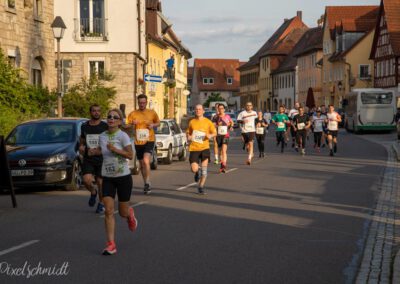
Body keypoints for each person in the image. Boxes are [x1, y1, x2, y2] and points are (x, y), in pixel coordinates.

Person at [96, 109, 137, 255]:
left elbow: (130, 154)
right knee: (108, 211)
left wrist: (115, 150)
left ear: (120, 121)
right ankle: (111, 244)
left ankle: (129, 214)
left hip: (123, 177)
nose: (111, 119)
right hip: (107, 177)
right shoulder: (102, 136)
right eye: (109, 117)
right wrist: (88, 151)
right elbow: (100, 151)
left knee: (122, 213)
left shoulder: (123, 136)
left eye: (115, 117)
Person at [126, 94, 160, 194]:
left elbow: (158, 122)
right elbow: (126, 125)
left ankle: (148, 182)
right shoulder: (133, 114)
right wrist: (132, 123)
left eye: (144, 103)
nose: (142, 104)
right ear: (138, 102)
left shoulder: (152, 113)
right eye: (140, 103)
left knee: (146, 161)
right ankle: (145, 183)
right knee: (141, 164)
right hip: (138, 141)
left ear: (146, 102)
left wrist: (153, 125)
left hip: (149, 139)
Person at [79, 104, 109, 213]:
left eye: (98, 111)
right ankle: (93, 191)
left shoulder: (105, 126)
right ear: (90, 112)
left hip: (101, 158)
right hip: (89, 157)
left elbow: (109, 141)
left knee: (100, 183)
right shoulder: (84, 126)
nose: (96, 113)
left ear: (100, 112)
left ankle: (101, 204)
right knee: (86, 180)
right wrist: (81, 147)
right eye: (94, 111)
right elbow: (82, 140)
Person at [186, 104, 217, 194]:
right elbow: (188, 133)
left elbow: (215, 132)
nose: (198, 111)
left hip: (204, 148)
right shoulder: (192, 122)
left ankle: (201, 186)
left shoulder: (208, 122)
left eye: (200, 109)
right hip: (194, 148)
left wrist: (210, 135)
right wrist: (189, 137)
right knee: (194, 169)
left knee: (204, 172)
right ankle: (197, 172)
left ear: (203, 111)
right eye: (196, 109)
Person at [212, 104, 233, 173]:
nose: (221, 109)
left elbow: (231, 122)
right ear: (218, 109)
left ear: (224, 109)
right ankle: (222, 165)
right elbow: (213, 125)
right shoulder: (215, 117)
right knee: (220, 152)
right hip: (218, 135)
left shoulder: (227, 116)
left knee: (224, 150)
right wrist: (218, 125)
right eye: (219, 108)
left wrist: (230, 126)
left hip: (225, 135)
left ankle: (224, 165)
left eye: (222, 108)